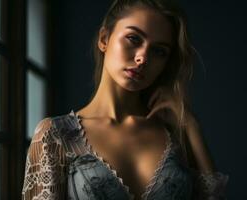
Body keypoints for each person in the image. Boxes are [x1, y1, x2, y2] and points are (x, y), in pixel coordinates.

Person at [21, 0, 229, 199]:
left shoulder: (175, 133)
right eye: (134, 39)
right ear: (104, 39)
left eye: (159, 51)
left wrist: (191, 126)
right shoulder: (57, 135)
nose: (143, 58)